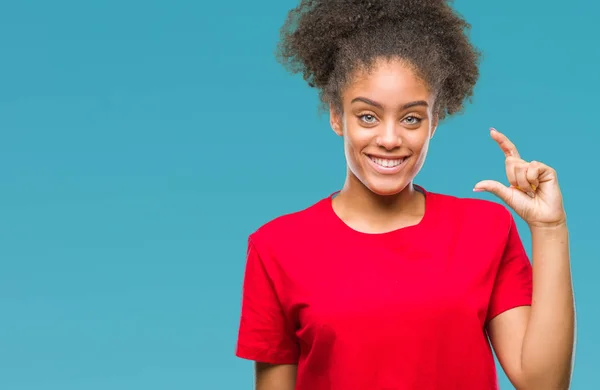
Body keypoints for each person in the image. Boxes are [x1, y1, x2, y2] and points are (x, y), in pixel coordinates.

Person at [235, 1, 575, 389]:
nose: (390, 139)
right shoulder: (277, 247)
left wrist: (549, 228)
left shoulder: (486, 230)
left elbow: (544, 383)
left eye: (411, 118)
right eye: (367, 116)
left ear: (434, 122)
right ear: (335, 115)